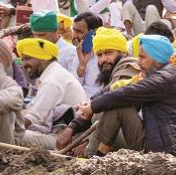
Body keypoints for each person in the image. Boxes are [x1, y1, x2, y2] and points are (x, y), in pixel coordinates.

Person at [76, 34, 176, 158]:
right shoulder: (153, 73)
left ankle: (97, 156)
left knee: (118, 104)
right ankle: (99, 155)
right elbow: (116, 88)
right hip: (157, 143)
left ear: (156, 59)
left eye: (142, 57)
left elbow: (125, 93)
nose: (138, 62)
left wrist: (93, 106)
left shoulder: (163, 79)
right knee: (117, 104)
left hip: (167, 151)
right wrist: (91, 102)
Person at [56, 27, 141, 157]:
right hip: (116, 133)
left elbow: (112, 109)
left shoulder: (129, 69)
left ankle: (92, 155)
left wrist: (88, 146)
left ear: (122, 53)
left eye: (109, 53)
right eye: (100, 55)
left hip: (137, 137)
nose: (104, 59)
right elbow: (96, 101)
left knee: (110, 109)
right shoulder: (113, 72)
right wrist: (71, 128)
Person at [17, 38, 87, 148]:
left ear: (44, 59)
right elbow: (30, 110)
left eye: (28, 58)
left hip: (66, 141)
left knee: (13, 135)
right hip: (56, 132)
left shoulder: (52, 80)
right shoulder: (52, 74)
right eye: (23, 59)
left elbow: (33, 117)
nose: (24, 64)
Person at [27, 10, 78, 76]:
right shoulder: (34, 50)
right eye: (35, 35)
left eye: (41, 35)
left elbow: (75, 80)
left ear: (54, 31)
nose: (38, 39)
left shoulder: (70, 52)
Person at [72, 12, 104, 97]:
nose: (74, 36)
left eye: (79, 32)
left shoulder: (104, 55)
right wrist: (82, 66)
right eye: (73, 30)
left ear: (93, 33)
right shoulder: (79, 52)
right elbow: (75, 87)